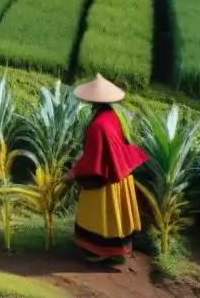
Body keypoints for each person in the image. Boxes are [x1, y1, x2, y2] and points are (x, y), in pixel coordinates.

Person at [62, 74, 148, 263]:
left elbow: (93, 158)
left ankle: (99, 252)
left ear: (93, 101)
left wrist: (72, 173)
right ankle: (117, 251)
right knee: (115, 218)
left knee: (97, 216)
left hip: (105, 176)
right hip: (120, 172)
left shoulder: (97, 125)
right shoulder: (114, 115)